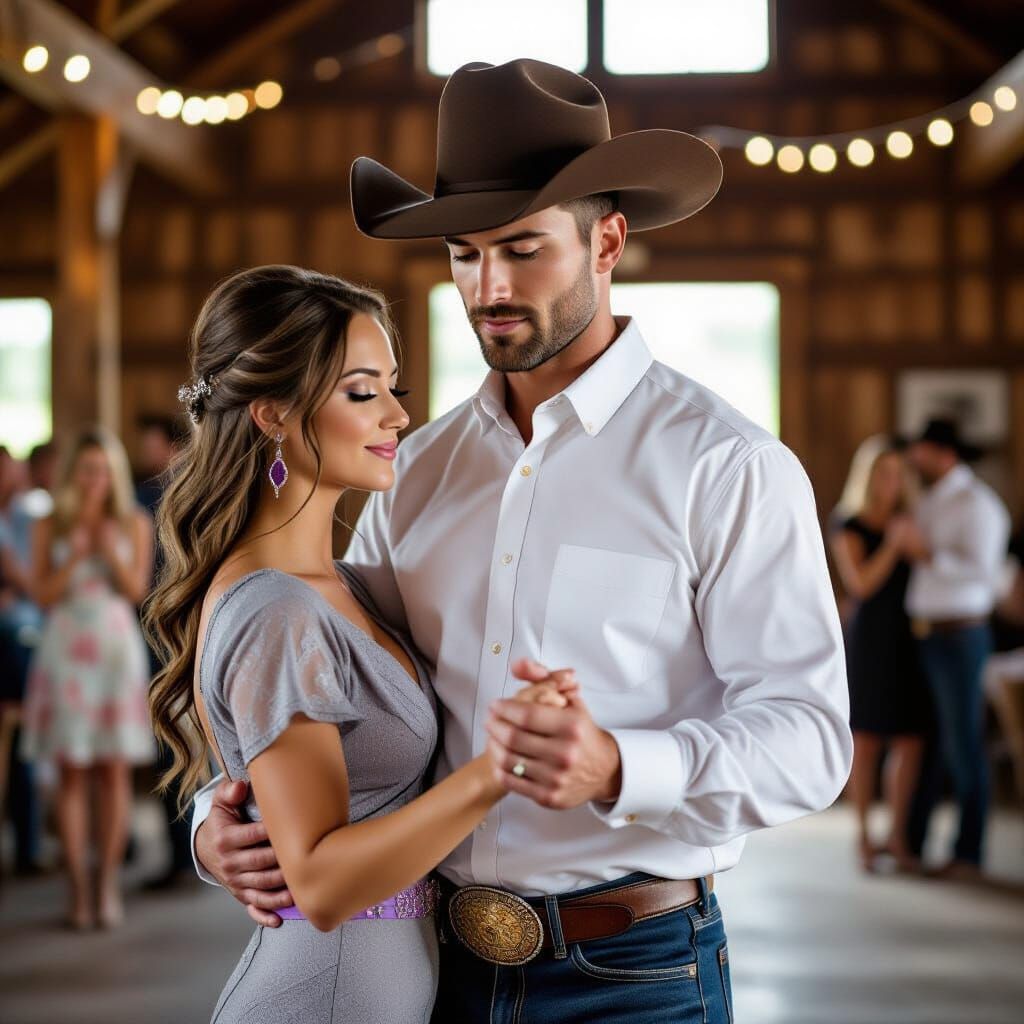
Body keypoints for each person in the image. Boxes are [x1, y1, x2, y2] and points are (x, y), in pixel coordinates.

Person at [192, 59, 853, 1024]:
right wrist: (223, 814)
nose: (488, 287)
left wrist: (622, 766)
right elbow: (326, 672)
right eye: (465, 253)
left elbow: (811, 737)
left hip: (634, 975)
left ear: (608, 241)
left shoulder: (727, 466)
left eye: (523, 249)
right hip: (434, 964)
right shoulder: (416, 469)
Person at [144, 265, 571, 1023]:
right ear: (274, 413)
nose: (398, 416)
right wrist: (499, 770)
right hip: (323, 995)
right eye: (363, 391)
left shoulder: (345, 584)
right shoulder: (277, 608)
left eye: (393, 388)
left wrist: (219, 826)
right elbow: (321, 882)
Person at [20, 427, 156, 929]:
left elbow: (138, 590)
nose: (95, 479)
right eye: (86, 470)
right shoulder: (50, 524)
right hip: (65, 653)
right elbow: (41, 594)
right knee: (72, 772)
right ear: (72, 473)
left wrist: (108, 550)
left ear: (113, 475)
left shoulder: (134, 521)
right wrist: (76, 553)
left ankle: (107, 887)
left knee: (114, 771)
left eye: (103, 470)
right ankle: (77, 887)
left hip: (115, 651)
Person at [902, 418, 1011, 879]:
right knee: (926, 742)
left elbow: (987, 573)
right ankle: (914, 845)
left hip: (962, 635)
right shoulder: (929, 499)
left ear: (944, 453)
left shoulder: (979, 504)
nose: (914, 459)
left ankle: (969, 854)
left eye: (921, 450)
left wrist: (927, 554)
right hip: (926, 634)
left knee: (965, 743)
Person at [830, 437, 931, 872]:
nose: (891, 482)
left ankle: (897, 835)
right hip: (869, 640)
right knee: (867, 740)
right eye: (883, 474)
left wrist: (916, 546)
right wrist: (893, 545)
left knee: (910, 739)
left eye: (897, 474)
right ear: (868, 478)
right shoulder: (848, 524)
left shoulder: (910, 519)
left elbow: (931, 564)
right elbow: (860, 585)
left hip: (908, 637)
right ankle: (863, 837)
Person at [132, 415, 195, 890]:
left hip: (170, 629)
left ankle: (184, 851)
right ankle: (183, 850)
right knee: (174, 738)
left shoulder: (163, 495)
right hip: (166, 628)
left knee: (176, 738)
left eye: (148, 443)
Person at [0, 442, 55, 875]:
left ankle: (29, 845)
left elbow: (31, 579)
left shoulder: (26, 515)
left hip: (24, 629)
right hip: (14, 632)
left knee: (24, 740)